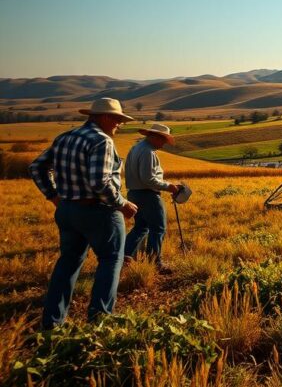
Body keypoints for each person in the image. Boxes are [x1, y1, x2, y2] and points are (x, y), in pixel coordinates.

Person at [29, 98, 139, 328]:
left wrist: (54, 196)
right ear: (105, 117)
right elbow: (99, 182)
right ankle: (99, 323)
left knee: (67, 263)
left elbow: (36, 166)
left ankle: (52, 324)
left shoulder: (65, 137)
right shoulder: (102, 141)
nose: (119, 124)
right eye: (118, 119)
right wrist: (122, 204)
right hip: (98, 212)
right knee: (110, 261)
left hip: (67, 210)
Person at [123, 123, 180, 273]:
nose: (163, 144)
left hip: (134, 193)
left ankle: (124, 255)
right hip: (148, 195)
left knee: (141, 227)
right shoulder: (148, 152)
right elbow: (148, 179)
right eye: (163, 140)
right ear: (155, 137)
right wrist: (169, 186)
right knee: (158, 228)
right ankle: (155, 262)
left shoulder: (136, 148)